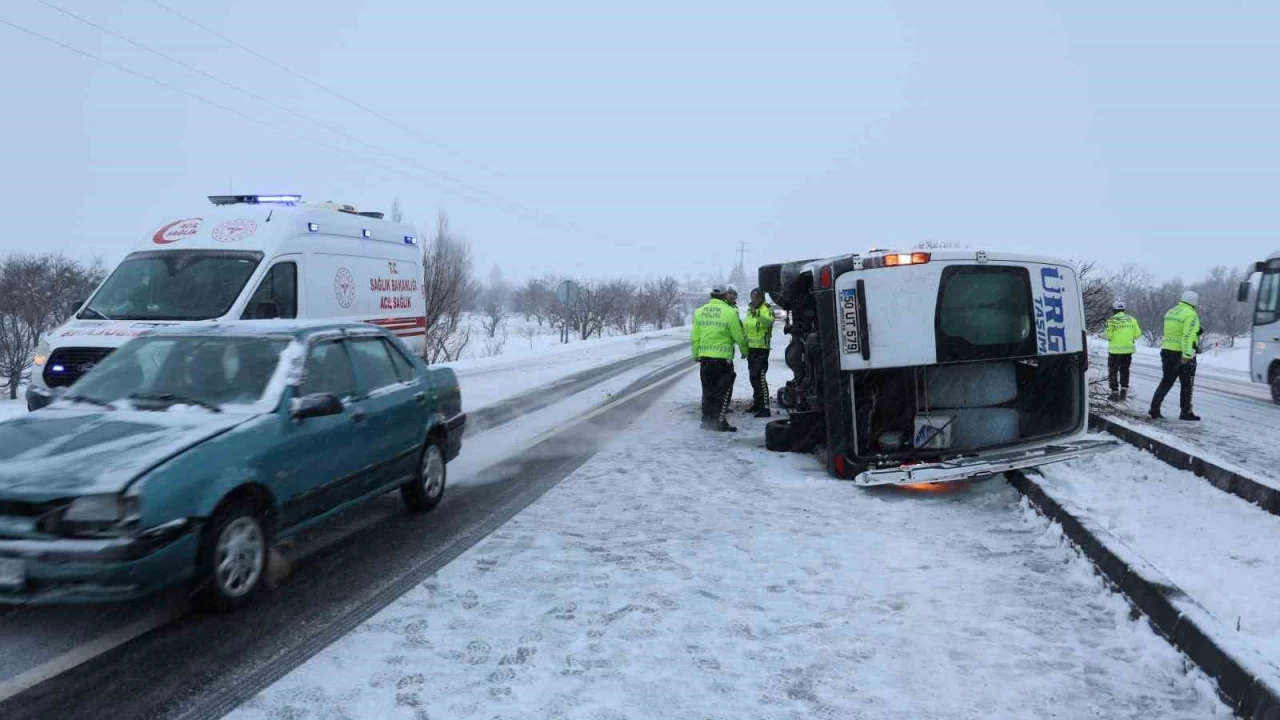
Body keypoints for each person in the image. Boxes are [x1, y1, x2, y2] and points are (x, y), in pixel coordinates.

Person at [691, 285, 748, 432]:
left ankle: (707, 421)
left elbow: (695, 336)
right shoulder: (730, 312)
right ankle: (719, 422)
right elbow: (739, 336)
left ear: (711, 295)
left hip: (705, 359)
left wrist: (696, 354)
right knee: (722, 391)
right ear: (724, 296)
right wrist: (745, 351)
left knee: (708, 390)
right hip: (723, 360)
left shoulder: (699, 312)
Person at [1149, 290, 1202, 421]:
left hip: (1167, 350)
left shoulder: (1171, 311)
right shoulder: (1191, 314)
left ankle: (1154, 409)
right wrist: (1187, 354)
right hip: (1182, 353)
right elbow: (1188, 335)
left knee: (1166, 381)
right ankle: (1186, 412)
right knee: (1186, 384)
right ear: (1194, 302)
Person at [743, 288, 776, 417]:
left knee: (761, 378)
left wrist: (757, 313)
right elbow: (747, 328)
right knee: (753, 378)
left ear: (762, 298)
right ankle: (757, 403)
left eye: (757, 297)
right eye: (752, 297)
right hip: (751, 349)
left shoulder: (766, 309)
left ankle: (765, 407)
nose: (754, 300)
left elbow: (768, 322)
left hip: (762, 349)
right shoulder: (749, 311)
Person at [1103, 300, 1141, 401]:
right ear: (1123, 309)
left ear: (1114, 310)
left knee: (1113, 371)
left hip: (1114, 351)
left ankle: (1114, 392)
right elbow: (1138, 334)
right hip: (1128, 350)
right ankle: (1123, 391)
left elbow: (1107, 335)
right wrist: (1128, 337)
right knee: (1125, 370)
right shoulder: (1131, 319)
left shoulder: (1111, 320)